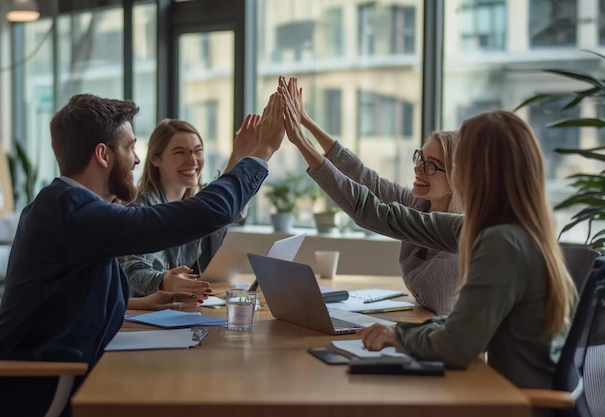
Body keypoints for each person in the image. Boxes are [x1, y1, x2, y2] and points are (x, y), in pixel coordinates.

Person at [0, 89, 284, 417]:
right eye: (130, 147)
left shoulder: (63, 204)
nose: (137, 159)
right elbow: (205, 213)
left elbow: (64, 298)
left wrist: (141, 301)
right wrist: (263, 150)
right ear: (102, 154)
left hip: (65, 375)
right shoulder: (77, 213)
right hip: (41, 391)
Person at [281, 87, 576, 393]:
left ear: (479, 173)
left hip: (513, 404)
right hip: (500, 393)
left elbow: (458, 344)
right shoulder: (500, 232)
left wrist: (399, 337)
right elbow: (375, 209)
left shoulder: (501, 244)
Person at [282, 76, 461, 314]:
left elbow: (369, 209)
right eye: (421, 159)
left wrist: (301, 142)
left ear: (456, 180)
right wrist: (305, 121)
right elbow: (364, 177)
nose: (419, 168)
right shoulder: (419, 205)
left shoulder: (459, 242)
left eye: (432, 165)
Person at [120, 115, 260, 305]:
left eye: (197, 151)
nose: (192, 160)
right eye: (180, 152)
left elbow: (232, 209)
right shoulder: (138, 208)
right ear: (155, 159)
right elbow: (132, 272)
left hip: (192, 306)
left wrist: (238, 156)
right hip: (149, 314)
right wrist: (165, 281)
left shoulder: (200, 202)